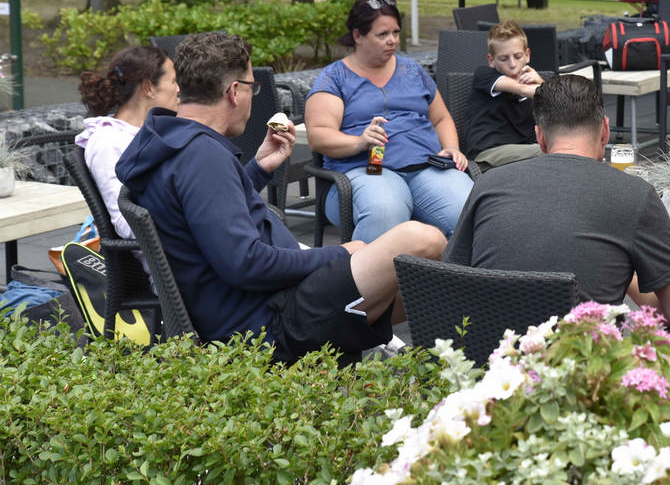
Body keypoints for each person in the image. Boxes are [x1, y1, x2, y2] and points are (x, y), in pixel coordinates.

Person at [116, 31, 445, 360]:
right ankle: (435, 362)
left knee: (416, 280)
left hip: (258, 305)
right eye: (252, 87)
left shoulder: (171, 143)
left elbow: (205, 212)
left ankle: (397, 354)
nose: (252, 96)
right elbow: (246, 263)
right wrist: (340, 253)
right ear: (234, 92)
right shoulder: (203, 157)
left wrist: (257, 169)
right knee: (421, 241)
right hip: (266, 324)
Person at [446, 74, 670, 366]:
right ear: (605, 130)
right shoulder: (634, 194)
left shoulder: (488, 183)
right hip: (589, 375)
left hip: (492, 365)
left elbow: (451, 280)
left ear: (540, 136)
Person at [305, 0, 472, 242]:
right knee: (386, 211)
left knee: (468, 209)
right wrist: (359, 142)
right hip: (365, 172)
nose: (392, 40)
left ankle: (452, 268)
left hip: (427, 168)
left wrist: (451, 148)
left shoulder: (412, 70)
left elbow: (441, 119)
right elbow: (318, 135)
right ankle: (364, 268)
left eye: (395, 32)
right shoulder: (335, 78)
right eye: (382, 34)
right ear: (358, 35)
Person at [76, 46, 181, 243]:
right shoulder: (108, 142)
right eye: (173, 81)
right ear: (148, 88)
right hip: (165, 254)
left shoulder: (151, 132)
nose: (178, 89)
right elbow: (126, 222)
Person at [465, 20, 544, 167]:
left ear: (527, 55)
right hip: (487, 153)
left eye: (518, 56)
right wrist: (543, 87)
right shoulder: (484, 75)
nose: (512, 64)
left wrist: (541, 82)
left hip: (522, 152)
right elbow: (522, 90)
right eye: (503, 59)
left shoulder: (535, 84)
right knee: (551, 150)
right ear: (492, 60)